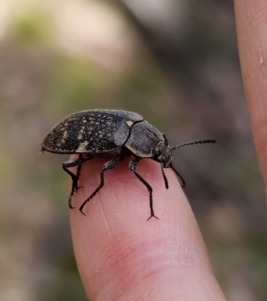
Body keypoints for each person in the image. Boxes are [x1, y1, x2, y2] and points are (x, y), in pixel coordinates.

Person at [69, 2, 266, 299]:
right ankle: (81, 184)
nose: (162, 158)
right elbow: (123, 164)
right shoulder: (129, 144)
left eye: (160, 154)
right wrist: (148, 194)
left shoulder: (141, 132)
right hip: (78, 132)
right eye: (159, 155)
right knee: (84, 163)